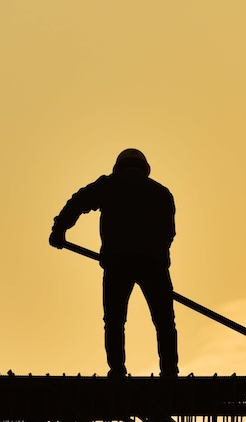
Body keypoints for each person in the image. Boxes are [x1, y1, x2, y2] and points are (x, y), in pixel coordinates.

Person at [50, 148, 179, 377]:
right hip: (154, 264)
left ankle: (117, 370)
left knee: (115, 319)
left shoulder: (109, 185)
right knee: (164, 321)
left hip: (118, 262)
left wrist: (59, 229)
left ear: (119, 167)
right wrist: (157, 255)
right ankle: (169, 372)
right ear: (144, 169)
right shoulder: (162, 193)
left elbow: (78, 201)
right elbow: (170, 233)